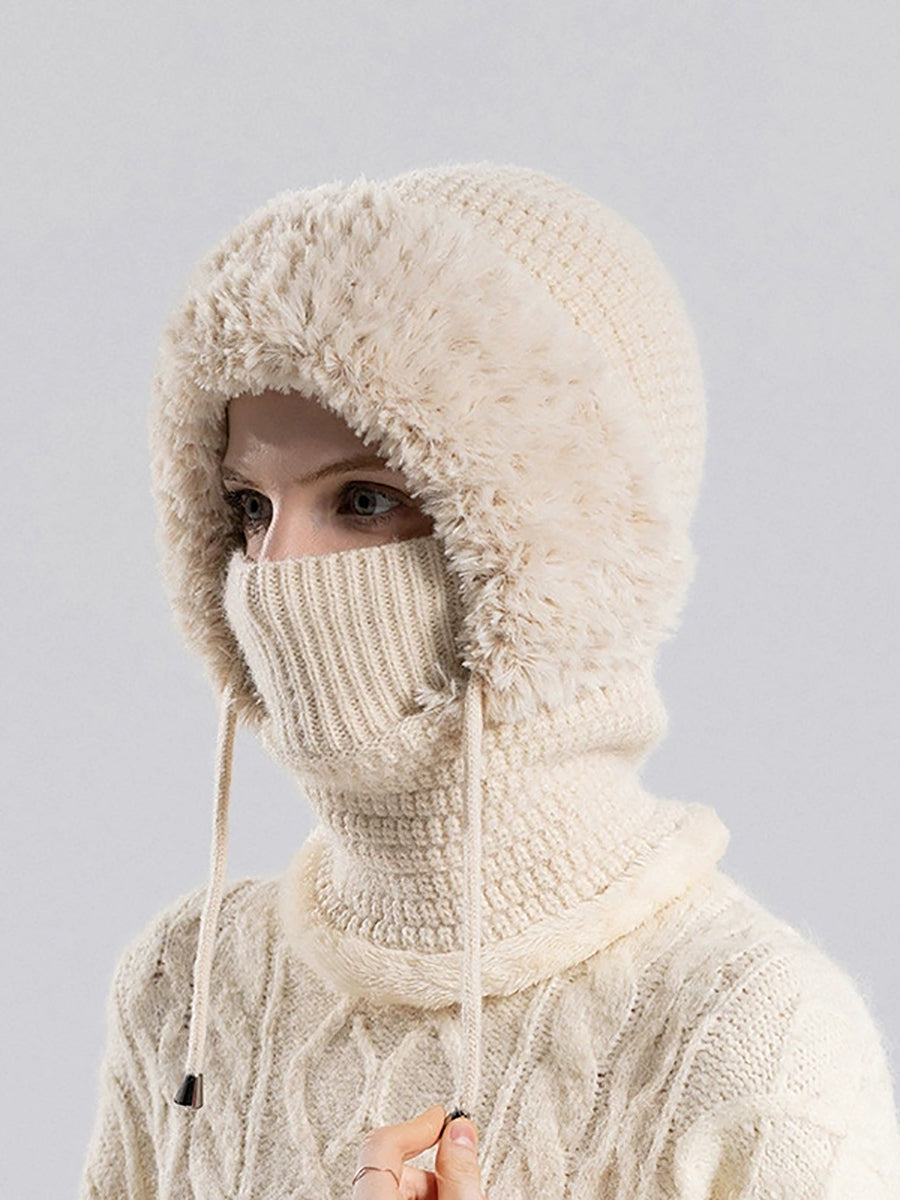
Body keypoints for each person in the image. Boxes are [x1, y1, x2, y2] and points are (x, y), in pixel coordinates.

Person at [80, 163, 900, 1199]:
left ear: (558, 547)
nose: (275, 572)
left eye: (364, 499)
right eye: (250, 507)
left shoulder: (751, 1034)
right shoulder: (186, 986)